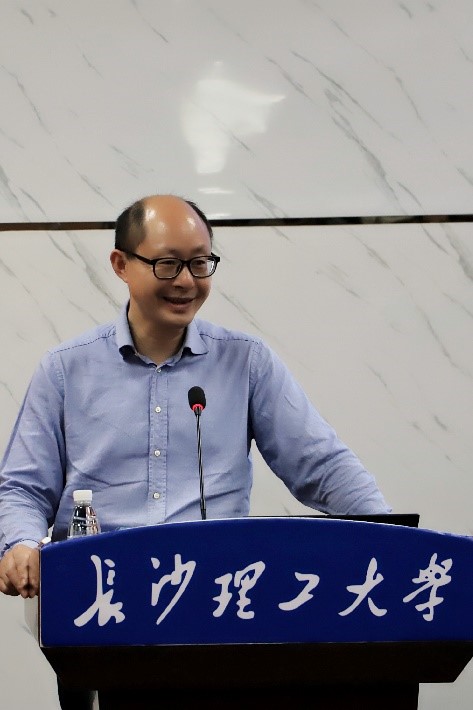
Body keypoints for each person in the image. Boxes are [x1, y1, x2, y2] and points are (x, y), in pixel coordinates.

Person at [0, 194, 390, 705]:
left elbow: (321, 465)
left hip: (217, 608)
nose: (186, 281)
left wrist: (393, 541)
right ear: (121, 264)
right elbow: (24, 487)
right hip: (101, 608)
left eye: (200, 263)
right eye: (167, 264)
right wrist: (20, 543)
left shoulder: (245, 362)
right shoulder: (65, 369)